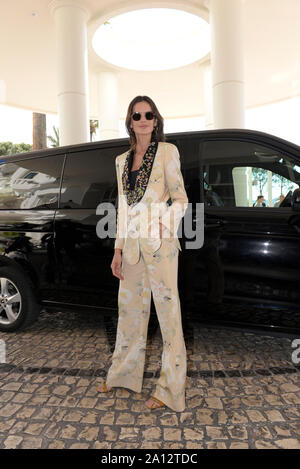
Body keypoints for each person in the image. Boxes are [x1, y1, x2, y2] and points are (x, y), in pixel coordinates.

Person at [95, 96, 189, 412]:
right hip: (132, 249)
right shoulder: (122, 160)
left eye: (149, 114)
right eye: (138, 114)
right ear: (131, 121)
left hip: (160, 247)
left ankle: (170, 391)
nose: (144, 119)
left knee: (169, 318)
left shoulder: (167, 152)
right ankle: (122, 375)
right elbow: (123, 208)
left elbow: (181, 199)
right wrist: (117, 250)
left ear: (156, 120)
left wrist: (164, 224)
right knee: (129, 316)